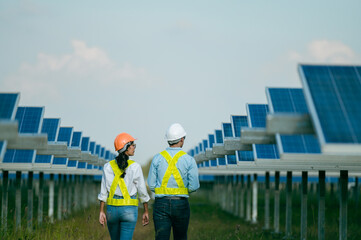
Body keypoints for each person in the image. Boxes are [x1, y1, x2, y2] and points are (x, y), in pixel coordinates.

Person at [147, 123, 200, 240]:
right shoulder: (189, 160)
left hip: (161, 204)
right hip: (181, 204)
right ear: (182, 139)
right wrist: (182, 190)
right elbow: (194, 186)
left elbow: (151, 184)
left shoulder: (157, 158)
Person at [98, 132, 150, 240]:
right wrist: (146, 211)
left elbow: (103, 192)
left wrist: (101, 211)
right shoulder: (135, 167)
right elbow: (142, 192)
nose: (134, 147)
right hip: (129, 210)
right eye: (132, 145)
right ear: (126, 147)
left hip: (111, 211)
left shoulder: (107, 167)